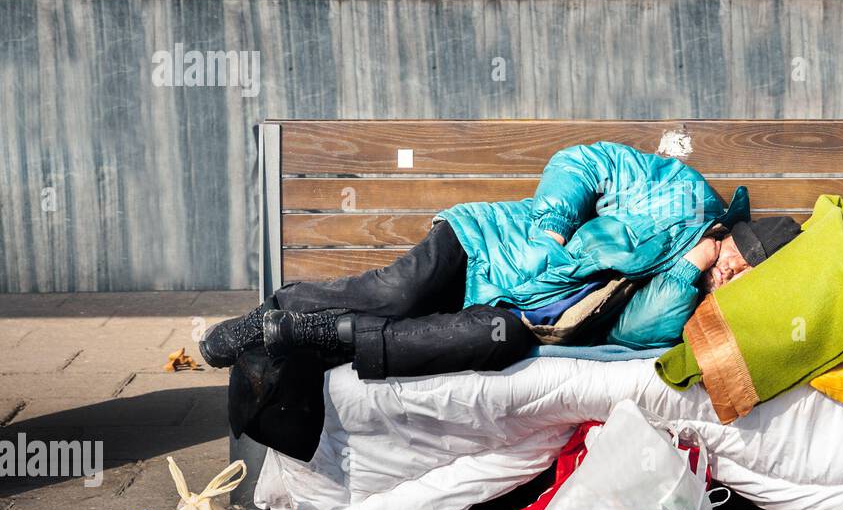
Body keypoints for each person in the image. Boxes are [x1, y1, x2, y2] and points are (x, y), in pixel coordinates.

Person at [201, 141, 801, 379]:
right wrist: (549, 230)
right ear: (732, 233)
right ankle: (269, 315)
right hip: (487, 242)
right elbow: (585, 162)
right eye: (739, 260)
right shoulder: (681, 191)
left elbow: (637, 328)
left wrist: (691, 268)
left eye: (743, 279)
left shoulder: (692, 289)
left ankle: (307, 334)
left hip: (512, 311)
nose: (733, 276)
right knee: (396, 297)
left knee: (459, 338)